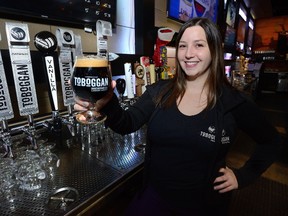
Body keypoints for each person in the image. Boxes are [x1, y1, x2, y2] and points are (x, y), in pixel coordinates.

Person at [74, 17, 281, 216]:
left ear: (214, 50)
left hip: (203, 206)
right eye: (182, 46)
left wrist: (242, 176)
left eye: (199, 45)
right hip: (154, 198)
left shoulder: (233, 102)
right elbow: (127, 123)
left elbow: (272, 142)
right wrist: (107, 103)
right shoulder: (160, 91)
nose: (189, 54)